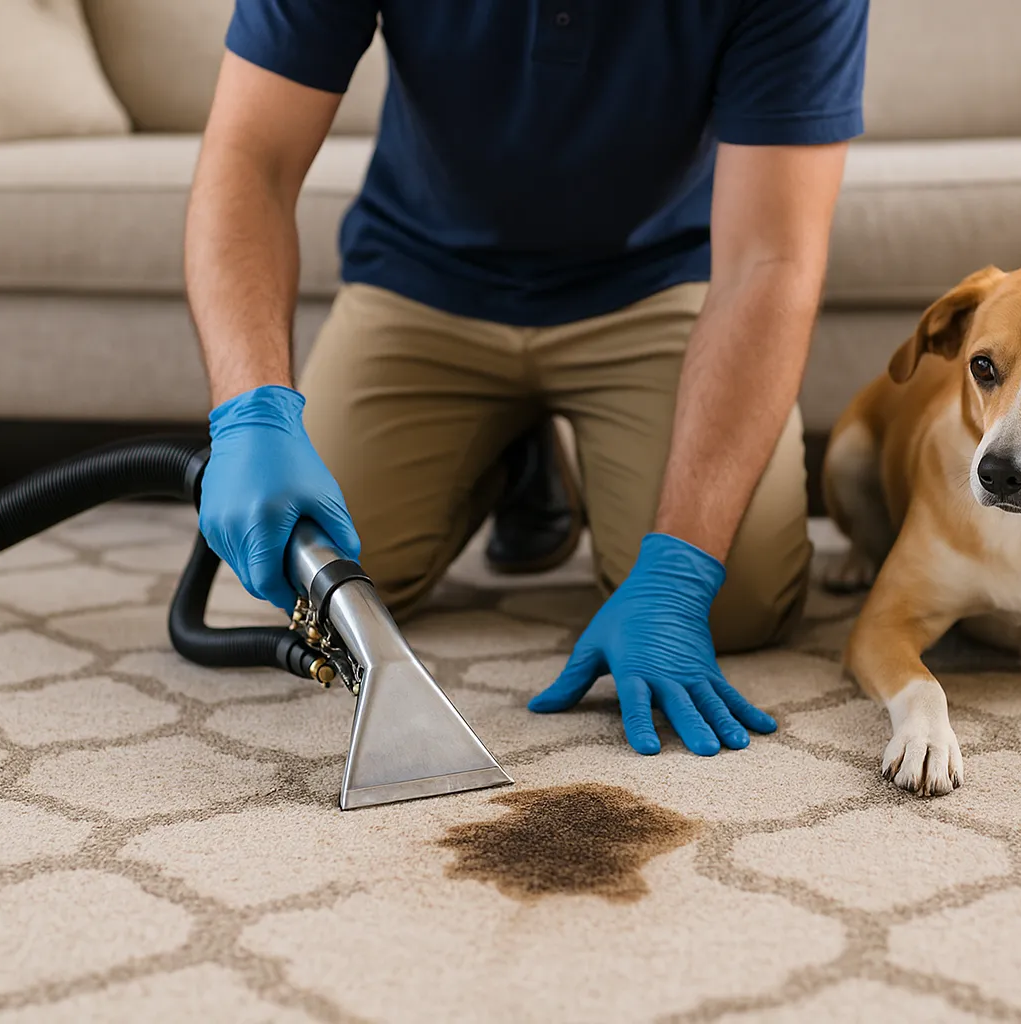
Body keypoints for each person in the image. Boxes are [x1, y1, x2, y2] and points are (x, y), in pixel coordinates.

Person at [186, 0, 869, 758]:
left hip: (657, 284)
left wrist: (680, 568)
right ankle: (516, 460)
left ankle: (545, 450)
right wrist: (251, 414)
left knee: (735, 603)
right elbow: (252, 158)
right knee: (284, 576)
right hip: (424, 280)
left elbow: (768, 261)